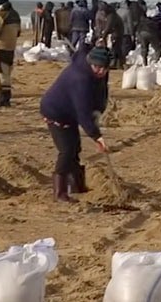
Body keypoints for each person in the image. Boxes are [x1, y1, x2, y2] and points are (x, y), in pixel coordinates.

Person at [39, 46, 111, 202]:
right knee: (67, 150)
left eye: (104, 68)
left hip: (70, 113)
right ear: (90, 63)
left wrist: (98, 111)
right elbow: (83, 113)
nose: (100, 71)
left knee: (75, 148)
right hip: (55, 111)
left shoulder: (98, 72)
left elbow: (101, 92)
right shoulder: (80, 79)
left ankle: (77, 186)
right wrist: (96, 136)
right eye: (97, 67)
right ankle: (59, 192)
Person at [0, 0, 21, 108]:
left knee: (1, 73)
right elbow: (18, 32)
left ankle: (3, 99)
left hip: (1, 46)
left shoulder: (1, 14)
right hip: (11, 47)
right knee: (7, 72)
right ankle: (4, 98)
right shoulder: (16, 15)